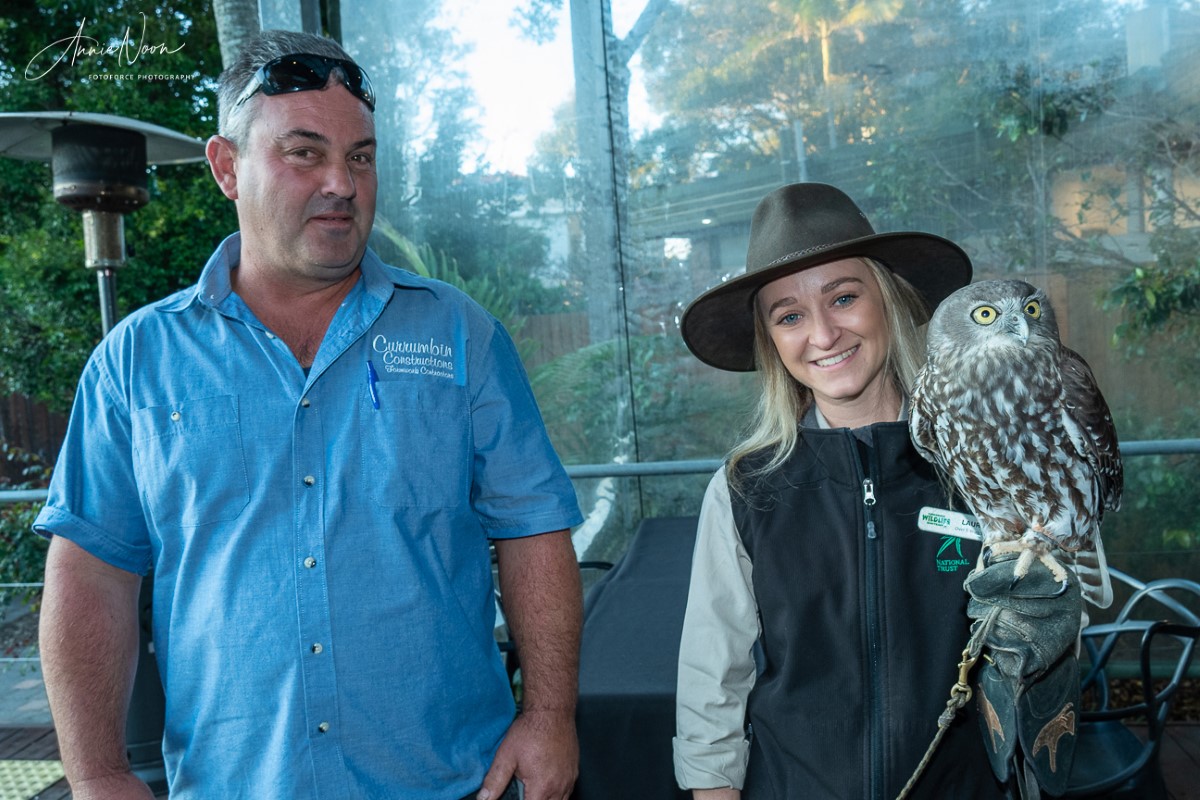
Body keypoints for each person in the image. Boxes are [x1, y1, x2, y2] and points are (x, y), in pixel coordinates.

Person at [35, 30, 583, 800]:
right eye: (304, 153)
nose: (342, 183)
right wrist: (95, 773)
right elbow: (90, 575)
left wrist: (551, 715)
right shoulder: (135, 363)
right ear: (225, 166)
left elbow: (534, 529)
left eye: (360, 156)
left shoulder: (461, 336)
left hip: (453, 781)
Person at [672, 183, 1010, 799]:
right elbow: (713, 672)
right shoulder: (747, 488)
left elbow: (1039, 637)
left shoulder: (980, 458)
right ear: (772, 341)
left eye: (844, 297)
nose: (823, 334)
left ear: (890, 299)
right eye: (790, 316)